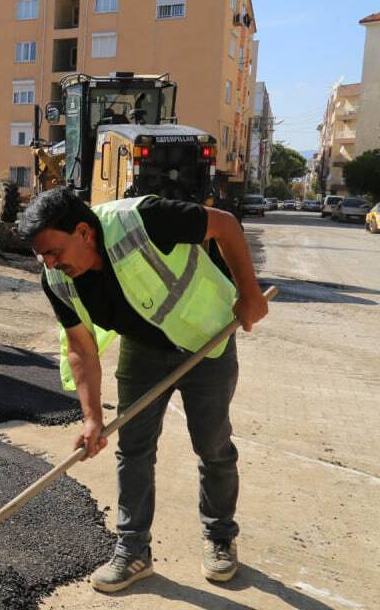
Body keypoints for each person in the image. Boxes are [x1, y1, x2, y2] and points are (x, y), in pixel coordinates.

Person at [17, 188, 268, 593]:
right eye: (42, 255)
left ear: (83, 232)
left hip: (208, 338)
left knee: (213, 445)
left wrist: (250, 293)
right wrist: (91, 417)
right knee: (132, 448)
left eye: (54, 251)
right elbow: (81, 347)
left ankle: (220, 536)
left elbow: (225, 225)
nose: (50, 263)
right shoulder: (56, 279)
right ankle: (133, 550)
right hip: (144, 351)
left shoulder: (145, 219)